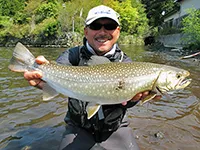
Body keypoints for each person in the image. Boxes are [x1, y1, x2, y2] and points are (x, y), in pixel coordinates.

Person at [24, 5, 161, 150]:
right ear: (86, 31)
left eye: (110, 26)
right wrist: (43, 73)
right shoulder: (72, 55)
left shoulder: (126, 63)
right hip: (78, 127)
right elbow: (58, 70)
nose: (103, 32)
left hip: (114, 128)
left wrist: (136, 99)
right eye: (96, 26)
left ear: (118, 31)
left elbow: (128, 102)